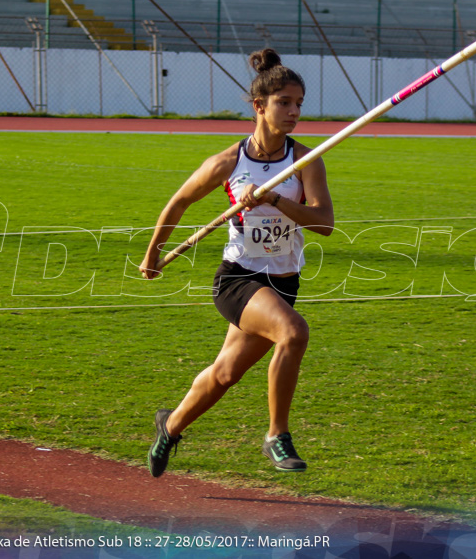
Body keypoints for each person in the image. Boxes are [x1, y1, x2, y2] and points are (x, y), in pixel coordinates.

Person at [139, 48, 334, 478]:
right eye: (284, 102)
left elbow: (324, 224)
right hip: (239, 280)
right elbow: (180, 201)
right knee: (293, 332)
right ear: (259, 106)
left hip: (284, 282)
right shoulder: (230, 162)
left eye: (299, 103)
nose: (294, 112)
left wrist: (275, 200)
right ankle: (276, 436)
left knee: (225, 373)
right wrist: (153, 252)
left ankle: (169, 426)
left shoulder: (305, 162)